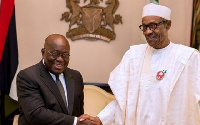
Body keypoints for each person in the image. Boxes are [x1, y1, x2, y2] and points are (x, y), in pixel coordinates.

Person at [81, 3, 200, 125]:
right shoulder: (133, 56)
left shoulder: (188, 58)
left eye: (153, 26)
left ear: (168, 24)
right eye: (144, 27)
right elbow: (121, 102)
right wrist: (100, 119)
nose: (148, 31)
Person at [17, 34, 96, 125]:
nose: (60, 59)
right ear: (43, 53)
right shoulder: (28, 76)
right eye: (55, 54)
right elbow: (36, 114)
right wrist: (74, 122)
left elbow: (79, 113)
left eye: (65, 55)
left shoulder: (76, 76)